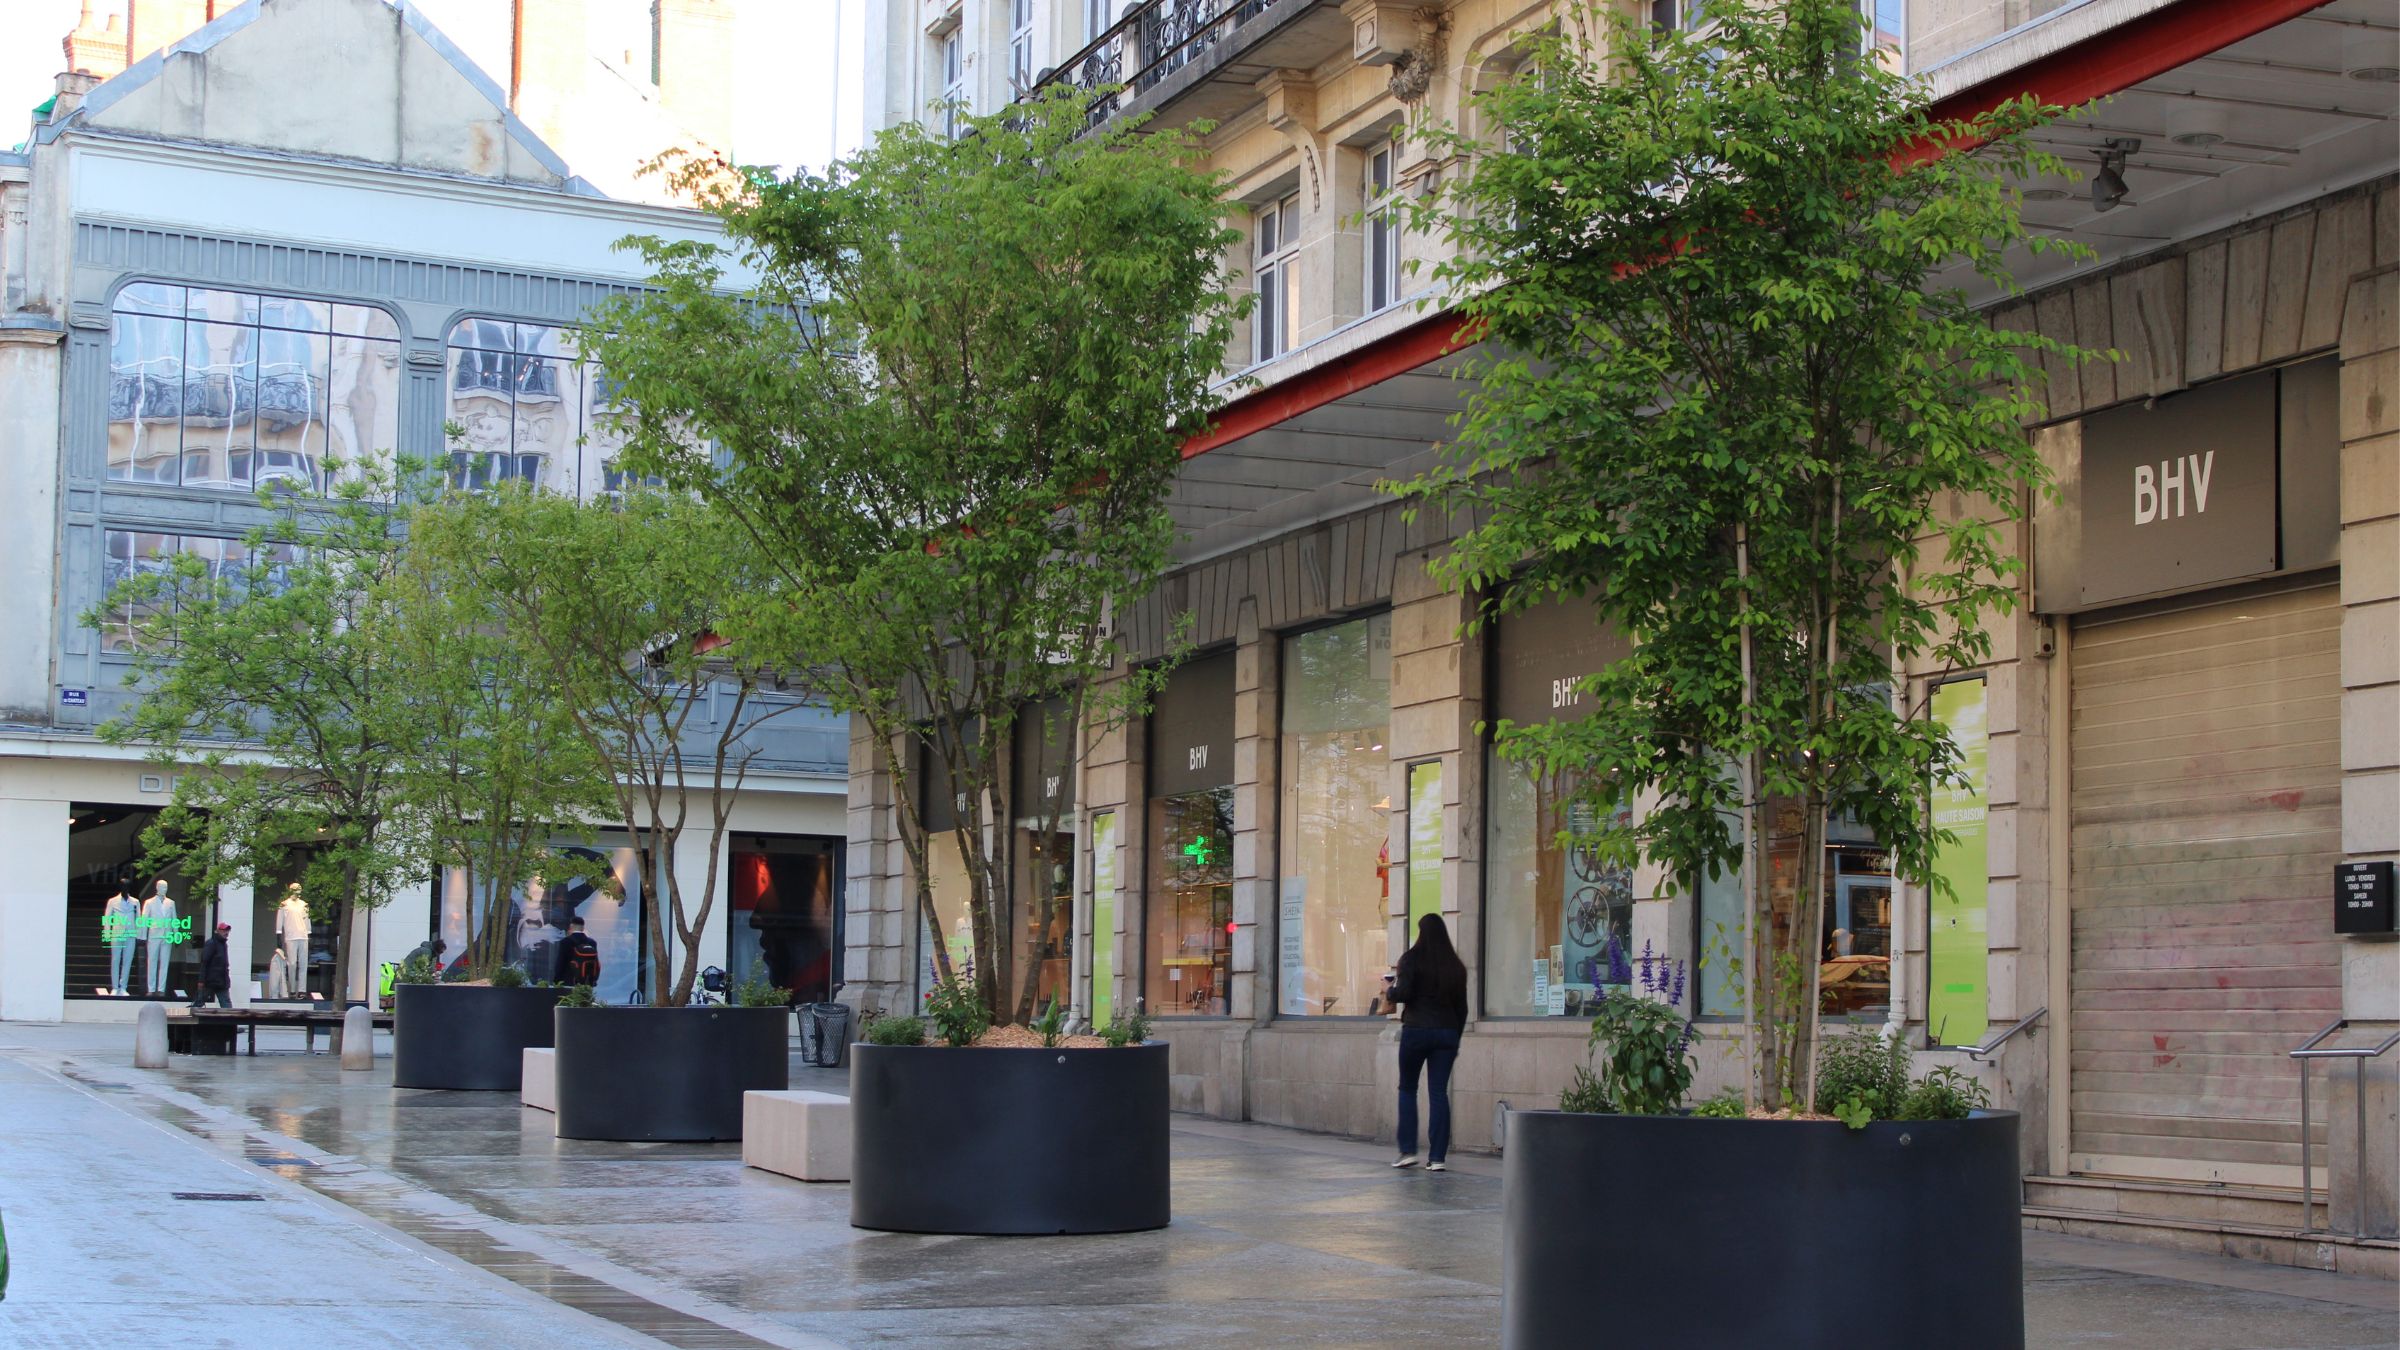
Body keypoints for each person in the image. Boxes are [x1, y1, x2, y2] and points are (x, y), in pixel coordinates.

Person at [1385, 912, 1468, 1172]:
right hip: (1446, 1033)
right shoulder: (1455, 966)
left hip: (1416, 1031)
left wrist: (1389, 990)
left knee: (1408, 1089)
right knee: (1438, 1093)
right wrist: (1456, 1039)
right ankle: (1438, 1157)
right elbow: (1462, 1009)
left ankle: (1408, 1151)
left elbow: (1403, 993)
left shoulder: (1411, 959)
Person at [192, 921, 233, 1010]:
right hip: (210, 981)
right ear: (218, 931)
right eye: (224, 930)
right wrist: (201, 981)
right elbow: (204, 962)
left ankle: (230, 1023)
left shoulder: (223, 945)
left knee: (227, 1006)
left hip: (221, 981)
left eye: (227, 930)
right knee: (198, 1003)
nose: (226, 932)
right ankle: (190, 1021)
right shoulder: (211, 943)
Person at [560, 916, 600, 988]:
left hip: (569, 981)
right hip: (587, 982)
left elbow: (561, 962)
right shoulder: (592, 942)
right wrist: (594, 980)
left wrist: (557, 980)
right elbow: (596, 962)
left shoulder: (566, 941)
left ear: (571, 926)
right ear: (583, 928)